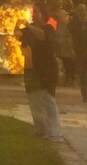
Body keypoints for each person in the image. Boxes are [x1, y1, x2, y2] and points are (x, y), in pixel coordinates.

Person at [21, 12, 62, 142]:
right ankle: (40, 129)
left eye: (36, 12)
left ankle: (54, 132)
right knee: (34, 99)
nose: (33, 15)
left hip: (47, 69)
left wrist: (28, 26)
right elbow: (20, 40)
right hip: (32, 69)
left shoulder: (48, 27)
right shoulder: (28, 30)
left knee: (48, 99)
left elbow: (43, 36)